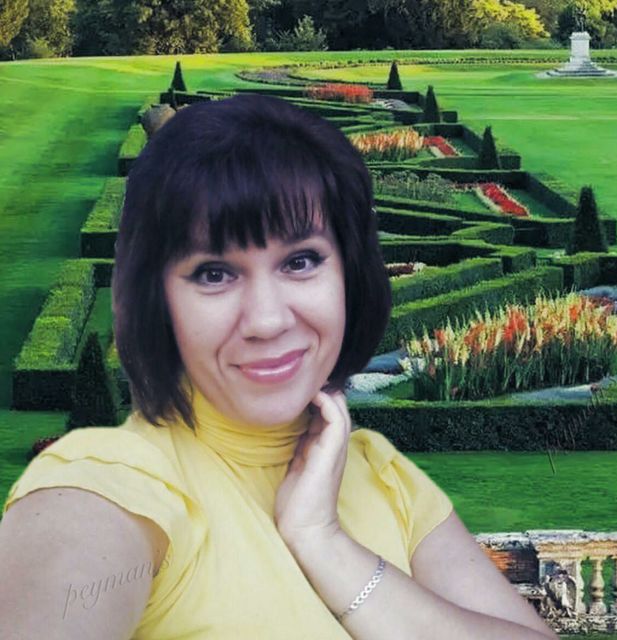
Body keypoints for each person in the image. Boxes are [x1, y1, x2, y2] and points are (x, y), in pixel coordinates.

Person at [0, 94, 558, 639]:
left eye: (301, 261)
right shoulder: (102, 488)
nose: (266, 320)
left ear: (350, 275)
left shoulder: (383, 475)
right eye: (214, 273)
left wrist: (325, 542)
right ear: (157, 299)